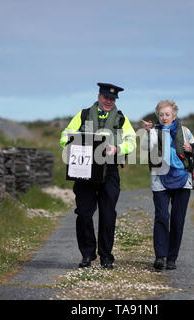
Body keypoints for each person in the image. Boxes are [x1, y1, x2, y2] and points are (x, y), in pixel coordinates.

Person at [60, 83, 136, 269]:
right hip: (84, 168)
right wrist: (72, 144)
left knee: (108, 214)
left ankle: (106, 256)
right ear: (99, 96)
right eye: (106, 97)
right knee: (84, 214)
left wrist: (118, 148)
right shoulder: (83, 114)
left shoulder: (121, 119)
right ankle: (87, 254)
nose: (109, 101)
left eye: (112, 99)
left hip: (109, 170)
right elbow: (65, 135)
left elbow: (132, 140)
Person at [140, 100, 194, 270]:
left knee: (178, 220)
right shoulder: (153, 131)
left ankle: (172, 258)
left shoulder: (185, 132)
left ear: (174, 115)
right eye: (161, 114)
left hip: (182, 180)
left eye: (167, 114)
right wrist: (149, 134)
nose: (164, 117)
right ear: (158, 116)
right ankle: (160, 256)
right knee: (162, 217)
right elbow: (144, 150)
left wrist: (190, 149)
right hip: (159, 178)